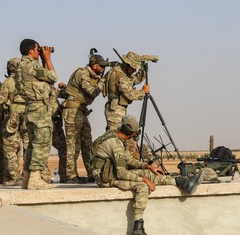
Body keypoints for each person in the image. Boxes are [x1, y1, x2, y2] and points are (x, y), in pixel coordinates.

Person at [90, 115, 205, 235]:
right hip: (106, 180)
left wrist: (147, 166)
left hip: (112, 173)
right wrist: (143, 180)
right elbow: (122, 173)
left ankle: (182, 182)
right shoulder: (115, 143)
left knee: (149, 173)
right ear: (132, 134)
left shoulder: (115, 136)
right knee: (142, 186)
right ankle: (137, 230)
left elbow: (129, 160)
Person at [15, 39, 58, 190]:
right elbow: (53, 77)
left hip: (30, 107)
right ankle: (34, 178)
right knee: (42, 142)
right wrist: (47, 58)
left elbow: (45, 80)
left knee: (33, 144)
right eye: (37, 49)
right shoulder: (30, 65)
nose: (39, 52)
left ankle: (28, 178)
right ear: (31, 51)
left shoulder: (20, 66)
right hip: (39, 108)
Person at [62, 53, 108, 183]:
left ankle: (91, 172)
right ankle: (70, 176)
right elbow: (92, 92)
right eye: (102, 66)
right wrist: (102, 81)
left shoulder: (92, 75)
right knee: (73, 145)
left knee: (87, 143)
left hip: (81, 111)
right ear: (94, 66)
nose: (103, 69)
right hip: (72, 111)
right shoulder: (82, 74)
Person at [0, 58, 26, 186]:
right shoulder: (27, 81)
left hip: (11, 118)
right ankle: (18, 175)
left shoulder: (8, 82)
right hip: (26, 117)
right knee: (22, 147)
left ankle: (14, 176)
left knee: (9, 147)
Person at [104, 51, 148, 131]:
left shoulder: (122, 72)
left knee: (117, 136)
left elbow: (136, 80)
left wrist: (143, 68)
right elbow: (130, 94)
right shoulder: (120, 75)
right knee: (114, 136)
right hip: (115, 110)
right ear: (128, 65)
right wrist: (143, 92)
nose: (135, 70)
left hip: (117, 109)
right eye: (134, 68)